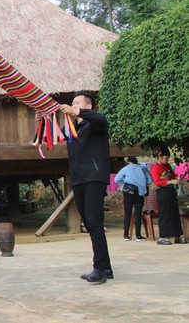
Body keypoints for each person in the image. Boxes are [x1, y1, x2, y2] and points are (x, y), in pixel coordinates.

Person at [58, 92, 113, 284]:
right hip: (79, 179)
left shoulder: (96, 124)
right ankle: (106, 266)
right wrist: (42, 121)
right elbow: (53, 135)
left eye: (77, 103)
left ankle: (99, 268)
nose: (73, 105)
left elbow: (101, 117)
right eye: (72, 103)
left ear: (88, 107)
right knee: (90, 224)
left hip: (94, 178)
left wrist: (76, 111)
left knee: (94, 221)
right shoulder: (73, 128)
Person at [150, 147, 187, 245]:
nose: (166, 160)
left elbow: (173, 175)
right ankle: (163, 237)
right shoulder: (155, 168)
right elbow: (157, 182)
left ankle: (178, 235)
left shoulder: (167, 166)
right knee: (165, 214)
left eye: (167, 159)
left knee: (174, 213)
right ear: (159, 157)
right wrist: (171, 181)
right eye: (165, 158)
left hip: (171, 192)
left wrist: (177, 178)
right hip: (162, 193)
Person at [114, 157, 152, 241]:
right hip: (140, 193)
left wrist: (124, 184)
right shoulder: (143, 168)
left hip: (128, 192)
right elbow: (150, 180)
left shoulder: (125, 168)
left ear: (128, 162)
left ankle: (126, 235)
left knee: (128, 214)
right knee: (137, 214)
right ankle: (138, 235)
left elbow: (116, 179)